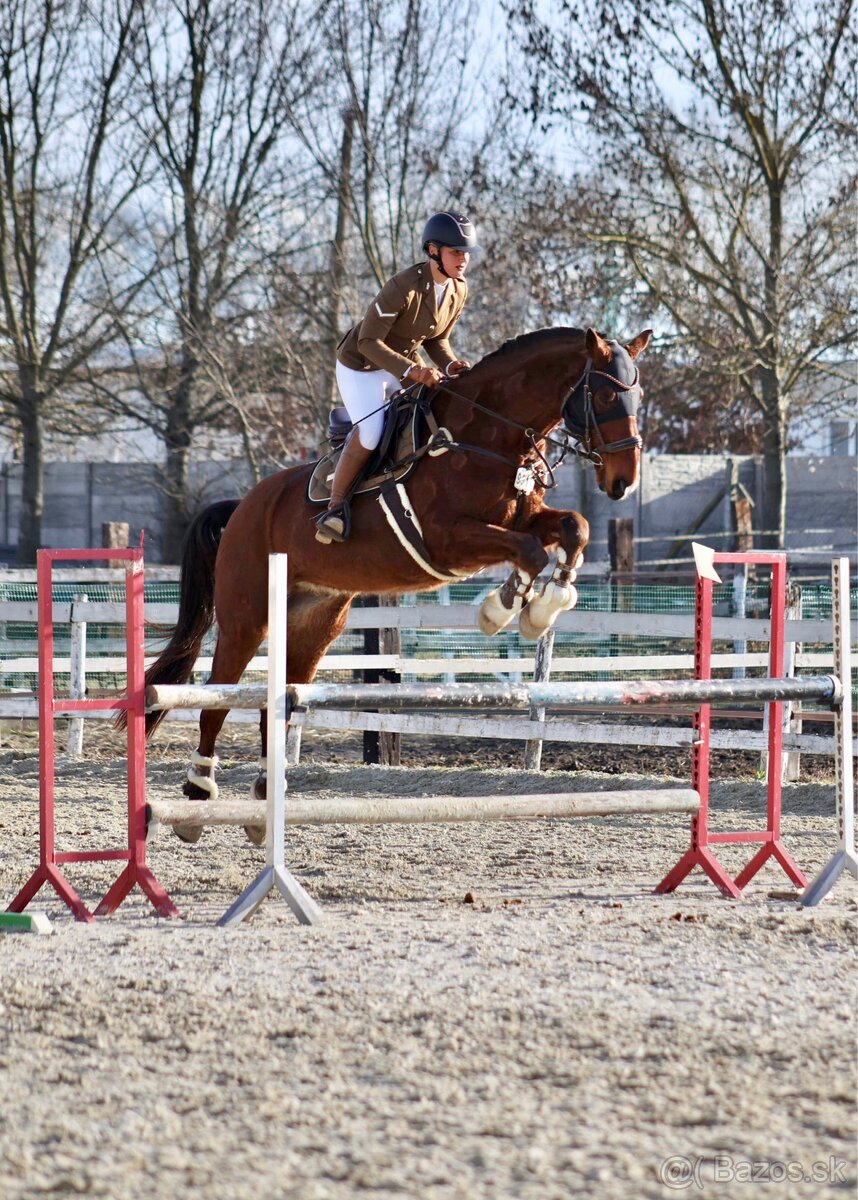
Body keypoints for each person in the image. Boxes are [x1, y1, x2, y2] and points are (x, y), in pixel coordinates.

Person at [315, 211, 478, 543]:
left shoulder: (458, 289)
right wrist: (413, 370)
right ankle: (334, 510)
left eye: (465, 252)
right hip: (361, 365)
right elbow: (368, 341)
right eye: (455, 251)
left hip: (403, 363)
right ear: (433, 251)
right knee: (372, 433)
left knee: (438, 407)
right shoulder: (403, 285)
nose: (463, 259)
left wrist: (449, 367)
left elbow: (437, 340)